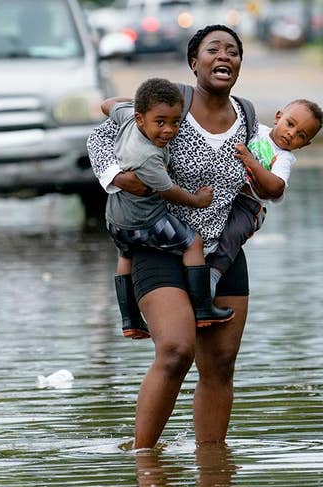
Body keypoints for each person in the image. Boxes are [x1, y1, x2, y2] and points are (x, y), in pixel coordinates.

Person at [86, 24, 260, 449]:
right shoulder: (168, 102)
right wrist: (117, 178)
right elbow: (101, 135)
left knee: (220, 364)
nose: (225, 56)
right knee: (177, 351)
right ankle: (144, 460)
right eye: (213, 49)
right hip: (159, 243)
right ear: (193, 62)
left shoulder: (248, 115)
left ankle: (213, 468)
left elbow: (265, 172)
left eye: (233, 51)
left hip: (220, 253)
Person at [100, 77, 234, 339]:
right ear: (141, 119)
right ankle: (203, 308)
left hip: (115, 219)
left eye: (175, 122)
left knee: (125, 256)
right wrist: (197, 200)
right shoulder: (147, 155)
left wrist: (135, 104)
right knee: (192, 242)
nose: (168, 131)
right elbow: (169, 191)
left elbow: (107, 104)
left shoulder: (127, 115)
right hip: (145, 221)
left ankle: (130, 320)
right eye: (159, 122)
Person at [209, 99, 323, 293]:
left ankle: (213, 274)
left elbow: (276, 187)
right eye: (290, 124)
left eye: (300, 135)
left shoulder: (283, 158)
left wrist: (251, 161)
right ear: (278, 117)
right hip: (227, 189)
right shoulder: (256, 131)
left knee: (234, 233)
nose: (291, 134)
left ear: (304, 145)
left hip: (248, 204)